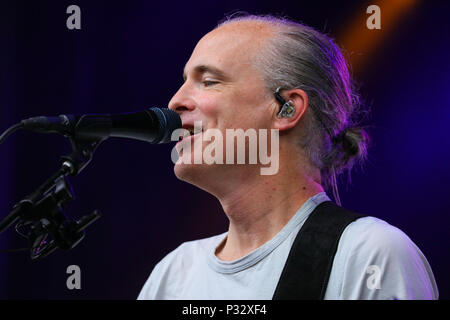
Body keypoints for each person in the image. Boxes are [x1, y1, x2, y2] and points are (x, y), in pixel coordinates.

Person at [138, 14, 438, 300]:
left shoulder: (368, 254)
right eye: (185, 80)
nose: (174, 101)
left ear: (287, 109)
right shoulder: (174, 273)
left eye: (209, 81)